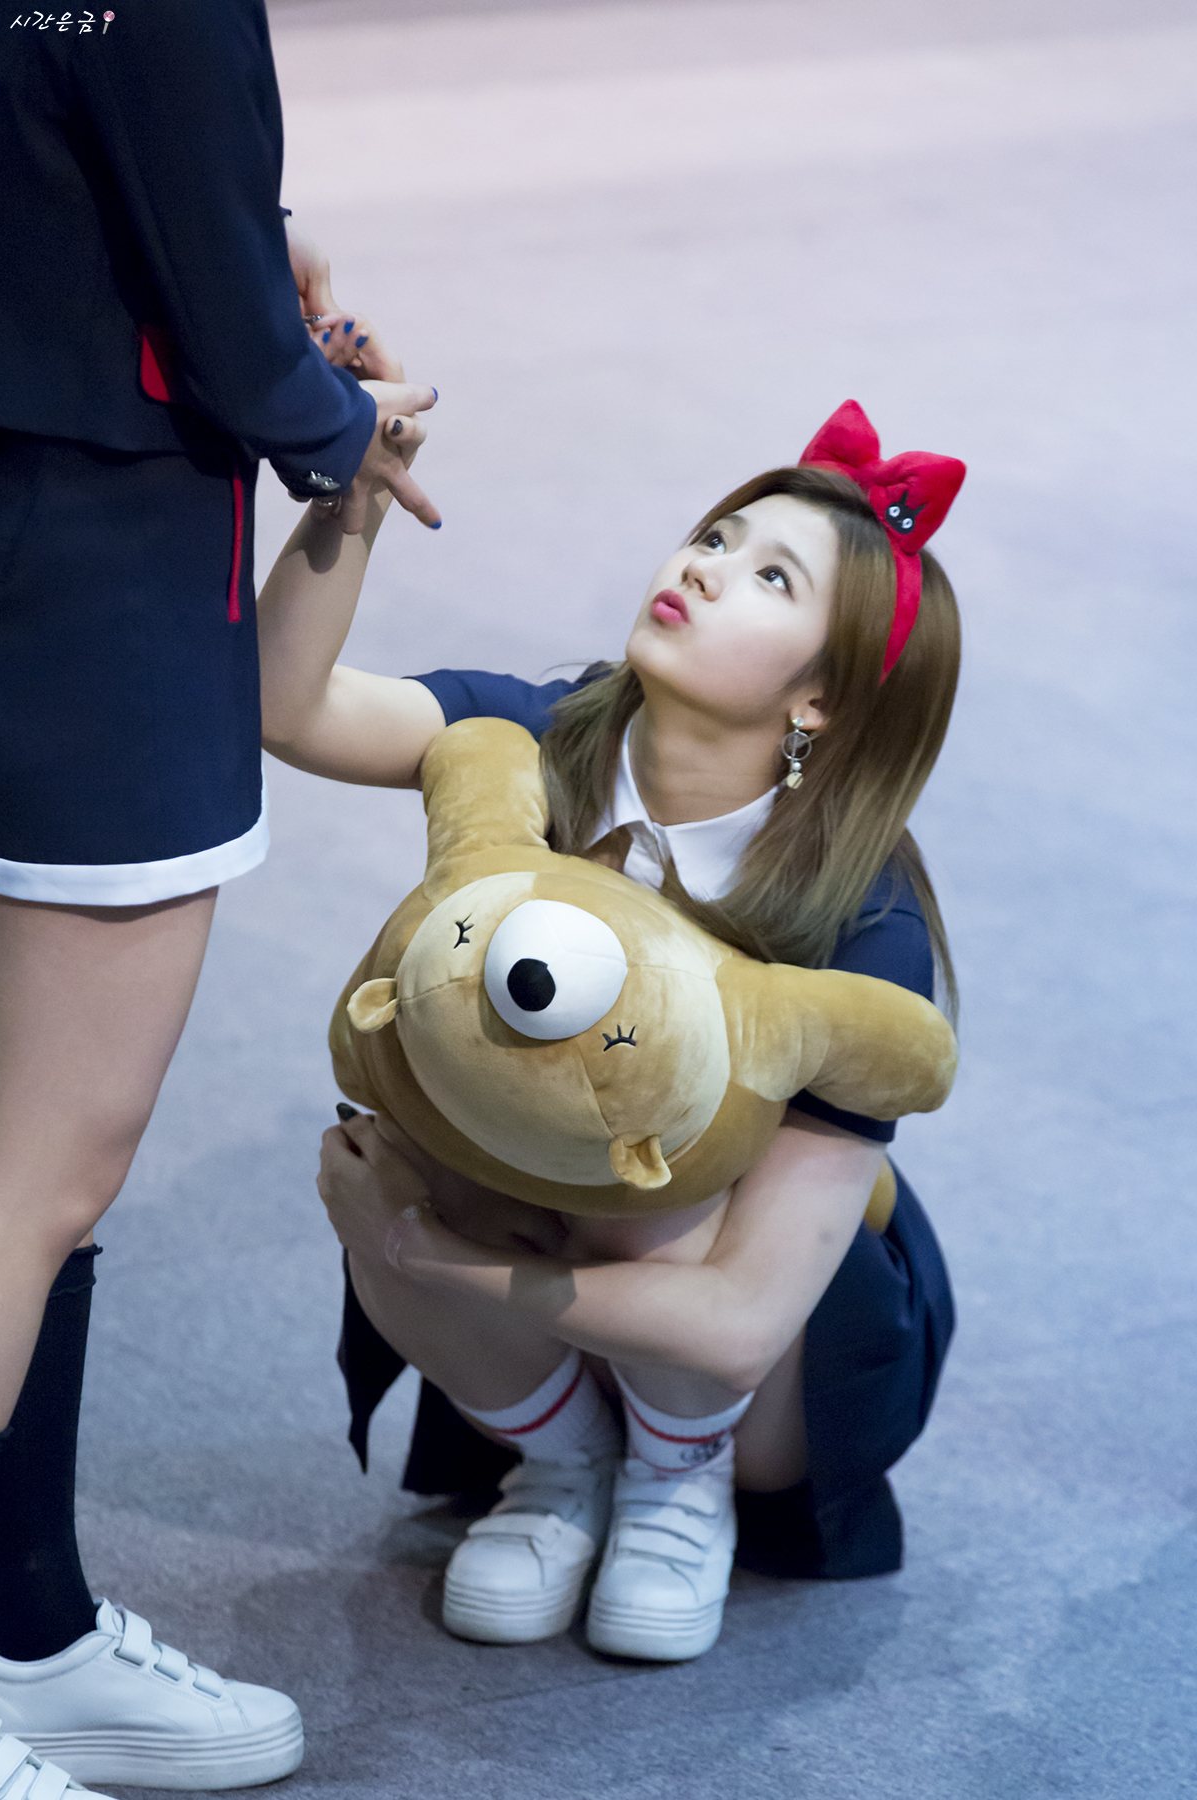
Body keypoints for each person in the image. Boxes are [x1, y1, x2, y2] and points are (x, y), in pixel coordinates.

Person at [258, 397, 966, 1663]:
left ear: (818, 702)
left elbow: (745, 1321)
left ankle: (678, 1481)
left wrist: (428, 1260)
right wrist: (349, 493)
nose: (704, 564)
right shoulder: (549, 737)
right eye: (717, 535)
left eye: (771, 576)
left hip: (753, 1354)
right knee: (398, 1148)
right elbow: (286, 707)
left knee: (660, 1179)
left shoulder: (864, 914)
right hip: (546, 1250)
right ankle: (564, 1465)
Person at [0, 3, 436, 1792]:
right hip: (82, 553)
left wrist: (240, 237)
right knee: (38, 1169)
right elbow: (250, 346)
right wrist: (336, 414)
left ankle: (28, 1631)